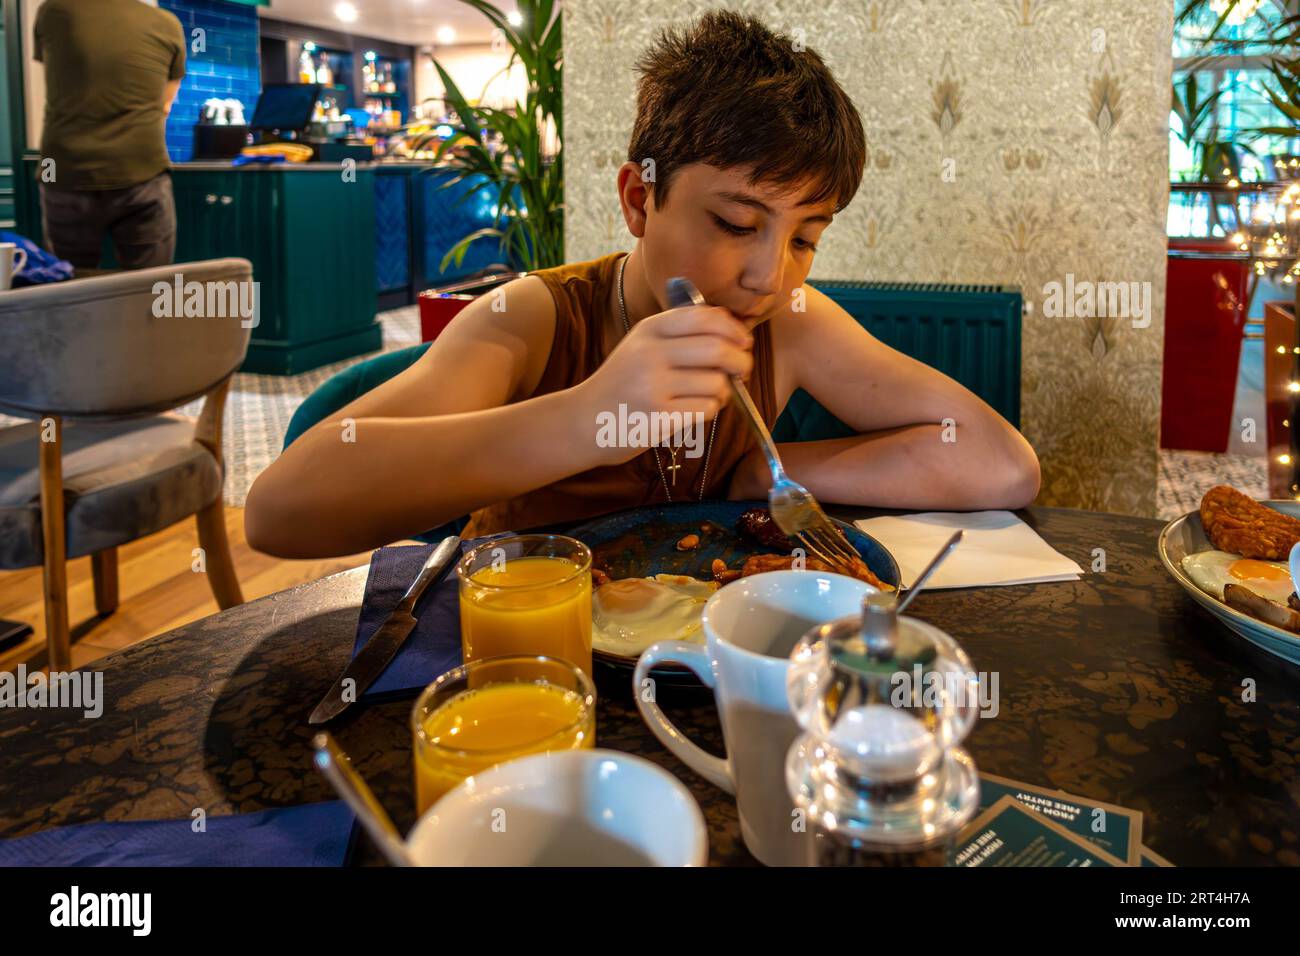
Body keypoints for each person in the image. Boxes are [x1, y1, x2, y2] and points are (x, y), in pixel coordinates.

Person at [245, 11, 1040, 559]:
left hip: (699, 668)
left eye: (805, 237)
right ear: (639, 198)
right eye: (735, 224)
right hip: (532, 667)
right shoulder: (533, 319)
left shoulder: (788, 321)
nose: (769, 273)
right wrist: (589, 417)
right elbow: (281, 509)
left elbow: (1000, 464)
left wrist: (774, 473)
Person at [34, 0, 186, 269]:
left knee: (70, 290)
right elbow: (164, 105)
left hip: (63, 170)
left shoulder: (53, 11)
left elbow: (63, 77)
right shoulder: (168, 24)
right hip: (143, 169)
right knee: (147, 292)